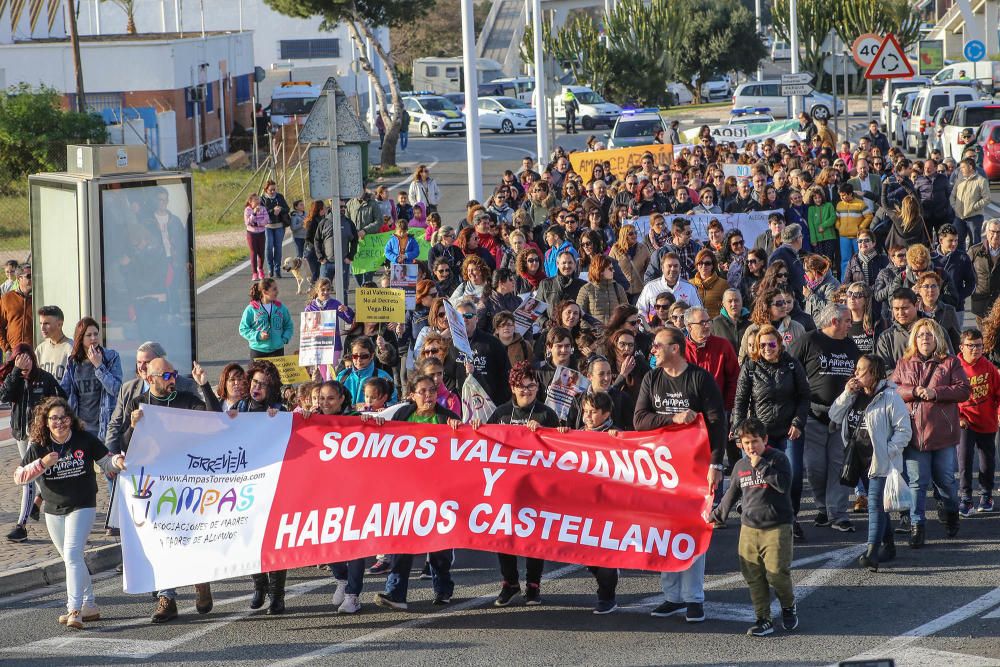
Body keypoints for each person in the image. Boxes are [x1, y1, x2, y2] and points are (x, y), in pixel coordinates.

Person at [636, 326, 727, 623]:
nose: (653, 351)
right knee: (666, 531)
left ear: (675, 348)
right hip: (662, 469)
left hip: (696, 469)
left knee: (693, 530)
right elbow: (640, 420)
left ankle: (694, 598)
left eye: (657, 346)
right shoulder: (652, 378)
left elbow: (717, 424)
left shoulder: (699, 378)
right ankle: (672, 596)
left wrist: (716, 465)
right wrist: (671, 417)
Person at [13, 397, 126, 629]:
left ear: (70, 419)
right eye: (54, 418)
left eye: (64, 418)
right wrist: (42, 464)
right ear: (46, 422)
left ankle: (74, 610)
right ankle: (90, 604)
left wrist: (118, 461)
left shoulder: (84, 439)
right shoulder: (39, 446)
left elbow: (106, 462)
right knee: (70, 559)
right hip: (53, 509)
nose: (59, 423)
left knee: (73, 554)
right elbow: (19, 477)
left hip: (82, 504)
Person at [122, 357, 210, 622]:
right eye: (166, 375)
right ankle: (167, 597)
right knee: (163, 538)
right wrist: (133, 427)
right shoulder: (140, 404)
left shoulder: (184, 399)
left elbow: (213, 416)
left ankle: (200, 579)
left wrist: (204, 387)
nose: (172, 379)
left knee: (192, 534)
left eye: (173, 374)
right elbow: (127, 446)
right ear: (151, 379)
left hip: (189, 479)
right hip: (157, 483)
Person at [197, 360, 287, 613]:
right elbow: (217, 421)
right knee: (247, 537)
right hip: (244, 484)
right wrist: (228, 416)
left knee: (273, 540)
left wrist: (279, 420)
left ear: (272, 387)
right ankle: (259, 585)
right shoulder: (241, 406)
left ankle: (277, 595)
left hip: (272, 482)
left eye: (264, 384)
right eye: (255, 382)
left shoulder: (280, 409)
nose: (257, 387)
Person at [369, 374, 460, 609]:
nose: (428, 395)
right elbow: (381, 434)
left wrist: (458, 430)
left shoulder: (447, 418)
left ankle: (443, 590)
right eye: (423, 391)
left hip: (438, 489)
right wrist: (380, 426)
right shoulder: (402, 414)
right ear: (412, 395)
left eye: (432, 390)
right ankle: (396, 593)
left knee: (438, 544)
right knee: (401, 541)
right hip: (406, 489)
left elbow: (463, 447)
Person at [478, 362, 560, 605]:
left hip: (536, 487)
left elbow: (560, 448)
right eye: (521, 386)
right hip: (506, 486)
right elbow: (484, 442)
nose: (527, 390)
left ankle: (533, 584)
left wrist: (545, 432)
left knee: (534, 536)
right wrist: (475, 429)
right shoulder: (501, 413)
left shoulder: (547, 414)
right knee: (504, 535)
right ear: (512, 387)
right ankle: (510, 582)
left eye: (532, 385)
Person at [710, 418, 797, 637]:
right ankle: (763, 618)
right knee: (754, 576)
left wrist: (762, 466)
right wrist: (715, 516)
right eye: (746, 443)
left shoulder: (777, 459)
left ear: (765, 439)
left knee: (777, 574)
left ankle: (788, 606)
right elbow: (730, 497)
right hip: (749, 529)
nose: (751, 447)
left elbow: (784, 485)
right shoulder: (740, 466)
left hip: (776, 527)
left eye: (755, 442)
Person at [891, 319, 970, 546]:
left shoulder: (951, 362)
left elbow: (964, 390)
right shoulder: (904, 363)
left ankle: (951, 514)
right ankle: (918, 525)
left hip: (943, 434)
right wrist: (912, 391)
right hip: (915, 434)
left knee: (945, 480)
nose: (925, 338)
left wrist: (936, 392)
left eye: (929, 334)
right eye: (921, 335)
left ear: (937, 338)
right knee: (917, 482)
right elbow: (892, 389)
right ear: (914, 339)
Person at [832, 348, 911, 571]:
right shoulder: (855, 394)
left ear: (874, 373)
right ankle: (889, 545)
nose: (856, 374)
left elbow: (904, 430)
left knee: (875, 504)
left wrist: (888, 450)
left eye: (861, 370)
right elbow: (834, 416)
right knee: (879, 507)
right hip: (858, 460)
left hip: (880, 462)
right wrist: (846, 393)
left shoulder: (890, 397)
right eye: (855, 369)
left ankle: (872, 552)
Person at [792, 303, 861, 534]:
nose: (850, 325)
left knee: (838, 466)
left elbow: (861, 374)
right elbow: (791, 368)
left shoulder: (851, 346)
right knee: (815, 468)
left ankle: (838, 514)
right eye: (847, 321)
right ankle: (822, 507)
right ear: (834, 322)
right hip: (813, 415)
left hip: (842, 417)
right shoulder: (808, 341)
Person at [2, 344, 65, 543]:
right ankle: (39, 500)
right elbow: (4, 396)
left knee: (27, 477)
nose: (25, 364)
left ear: (33, 358)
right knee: (42, 475)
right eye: (20, 360)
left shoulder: (44, 378)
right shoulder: (16, 378)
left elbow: (62, 398)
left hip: (38, 436)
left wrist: (48, 419)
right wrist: (15, 373)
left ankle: (21, 525)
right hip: (21, 434)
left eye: (27, 359)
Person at [732, 325, 808, 452]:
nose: (767, 349)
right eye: (762, 345)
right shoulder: (750, 367)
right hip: (759, 432)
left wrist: (798, 423)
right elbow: (741, 400)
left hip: (789, 430)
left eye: (771, 345)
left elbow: (804, 396)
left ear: (779, 344)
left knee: (792, 471)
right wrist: (738, 430)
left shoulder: (792, 364)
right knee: (759, 470)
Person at [956, 329, 999, 516]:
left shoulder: (989, 367)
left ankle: (986, 495)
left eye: (979, 346)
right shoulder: (955, 367)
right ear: (961, 347)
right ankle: (966, 498)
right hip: (966, 421)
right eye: (971, 346)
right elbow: (950, 396)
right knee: (964, 460)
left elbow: (998, 394)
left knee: (987, 462)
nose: (975, 349)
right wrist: (958, 417)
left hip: (987, 420)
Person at [59, 317, 123, 441]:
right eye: (89, 335)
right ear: (81, 338)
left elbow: (116, 390)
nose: (93, 338)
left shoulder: (111, 357)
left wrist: (99, 366)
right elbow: (63, 392)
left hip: (105, 427)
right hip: (81, 427)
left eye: (96, 334)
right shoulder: (73, 363)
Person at [636, 253, 701, 321]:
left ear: (680, 269)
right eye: (669, 266)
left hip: (682, 330)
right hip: (656, 330)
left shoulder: (689, 288)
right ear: (662, 268)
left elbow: (698, 311)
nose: (672, 269)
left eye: (676, 266)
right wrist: (647, 328)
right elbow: (640, 310)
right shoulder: (650, 287)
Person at [238, 278, 294, 359]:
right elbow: (243, 329)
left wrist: (285, 338)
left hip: (277, 350)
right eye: (274, 289)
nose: (277, 291)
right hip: (258, 351)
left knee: (276, 372)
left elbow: (289, 325)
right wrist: (258, 335)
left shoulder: (281, 308)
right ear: (265, 292)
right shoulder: (251, 309)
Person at [950, 158, 990, 250]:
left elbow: (987, 198)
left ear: (970, 167)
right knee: (957, 241)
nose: (961, 170)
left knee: (975, 243)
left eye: (963, 167)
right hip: (959, 217)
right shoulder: (960, 180)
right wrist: (955, 207)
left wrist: (974, 207)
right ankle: (960, 261)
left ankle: (974, 263)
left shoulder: (981, 181)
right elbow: (952, 196)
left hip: (974, 217)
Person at [834, 183, 872, 278]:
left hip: (857, 237)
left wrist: (860, 228)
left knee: (860, 259)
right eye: (840, 195)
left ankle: (862, 279)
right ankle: (844, 282)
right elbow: (837, 219)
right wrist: (839, 227)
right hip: (844, 237)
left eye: (844, 195)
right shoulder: (839, 205)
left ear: (850, 194)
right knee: (845, 260)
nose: (841, 197)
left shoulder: (860, 203)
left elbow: (869, 216)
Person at [576, 254, 627, 323]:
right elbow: (580, 315)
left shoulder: (618, 288)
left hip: (615, 332)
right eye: (610, 269)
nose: (613, 271)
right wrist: (591, 331)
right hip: (593, 332)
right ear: (600, 270)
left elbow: (626, 313)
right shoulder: (586, 289)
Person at [969, 219, 1000, 324]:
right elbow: (964, 273)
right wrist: (970, 290)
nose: (995, 235)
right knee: (983, 338)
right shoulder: (975, 251)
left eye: (999, 232)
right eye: (992, 232)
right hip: (980, 304)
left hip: (998, 305)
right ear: (987, 233)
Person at [0, 263, 32, 357]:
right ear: (19, 278)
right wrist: (6, 349)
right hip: (13, 353)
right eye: (29, 276)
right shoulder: (7, 299)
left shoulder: (39, 299)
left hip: (34, 353)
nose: (32, 279)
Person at [260, 180, 290, 278]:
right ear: (266, 190)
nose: (273, 192)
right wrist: (272, 211)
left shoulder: (279, 197)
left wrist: (280, 209)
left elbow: (287, 208)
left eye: (274, 189)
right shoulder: (262, 199)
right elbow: (261, 212)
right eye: (271, 190)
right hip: (268, 226)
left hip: (279, 226)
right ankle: (270, 268)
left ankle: (277, 269)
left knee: (278, 247)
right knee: (269, 247)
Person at [35, 305, 72, 383]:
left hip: (63, 394)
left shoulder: (71, 348)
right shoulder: (40, 349)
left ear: (59, 324)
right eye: (41, 323)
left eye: (46, 324)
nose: (42, 328)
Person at [690, 250, 727, 318]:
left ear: (713, 265)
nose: (704, 266)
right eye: (700, 263)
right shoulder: (689, 284)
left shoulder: (723, 284)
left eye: (707, 263)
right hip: (695, 325)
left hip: (715, 325)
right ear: (697, 265)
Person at [712, 289, 750, 354]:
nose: (734, 304)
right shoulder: (715, 323)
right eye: (730, 301)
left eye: (736, 300)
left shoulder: (751, 320)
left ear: (742, 302)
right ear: (723, 304)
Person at [243, 193, 269, 280]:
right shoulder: (247, 210)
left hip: (261, 233)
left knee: (261, 253)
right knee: (253, 252)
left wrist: (257, 224)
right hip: (251, 233)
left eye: (258, 199)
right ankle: (254, 273)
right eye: (255, 200)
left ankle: (260, 269)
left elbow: (266, 220)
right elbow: (248, 223)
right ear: (250, 202)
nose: (258, 201)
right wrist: (254, 213)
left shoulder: (263, 209)